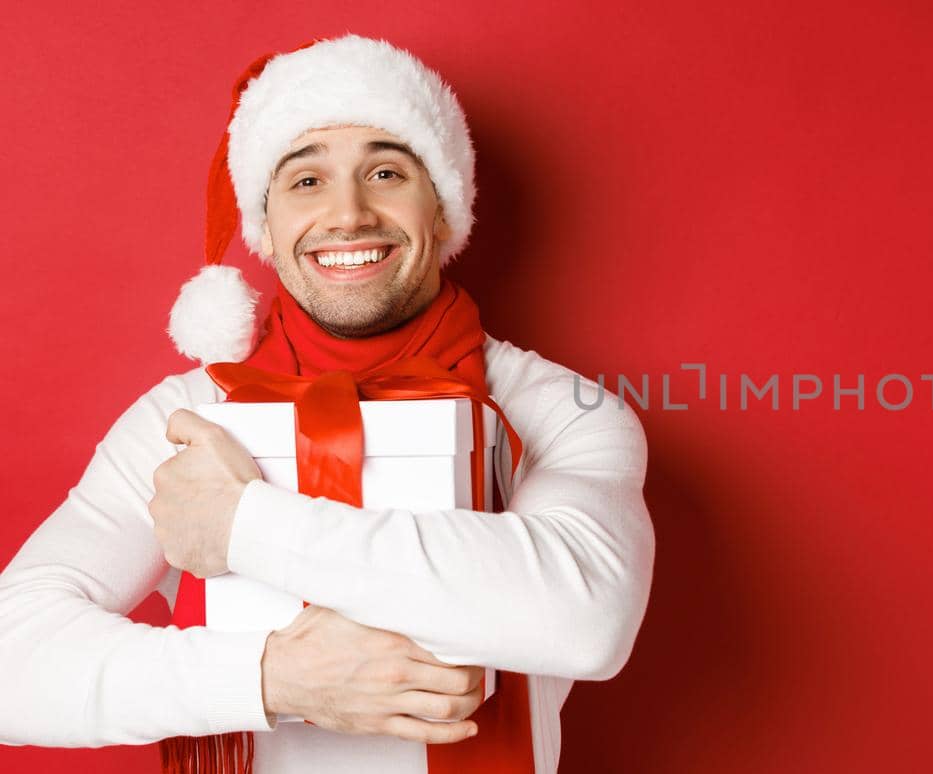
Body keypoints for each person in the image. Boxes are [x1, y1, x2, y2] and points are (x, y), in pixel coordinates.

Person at [0, 34, 654, 774]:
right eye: (306, 181)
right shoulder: (184, 419)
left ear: (443, 210)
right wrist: (273, 678)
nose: (348, 215)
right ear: (267, 230)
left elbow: (586, 617)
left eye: (384, 171)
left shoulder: (561, 410)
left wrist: (244, 525)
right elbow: (11, 659)